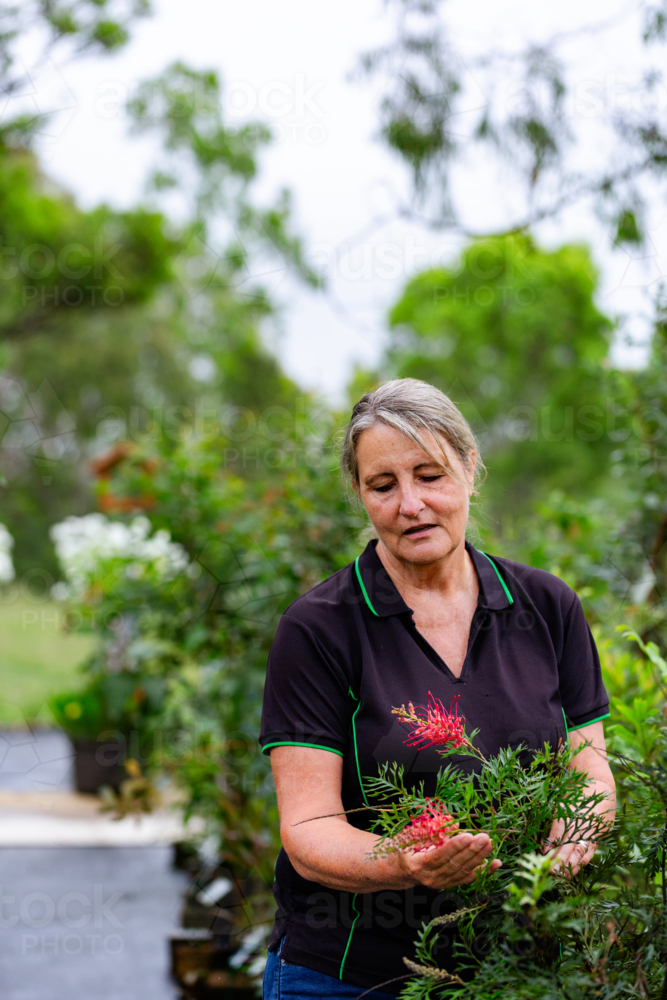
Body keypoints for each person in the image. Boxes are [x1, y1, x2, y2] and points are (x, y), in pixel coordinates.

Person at [260, 378, 616, 999]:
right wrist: (401, 862)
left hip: (518, 972)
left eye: (430, 475)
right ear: (360, 495)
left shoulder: (545, 607)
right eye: (383, 485)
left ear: (470, 468)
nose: (410, 504)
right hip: (351, 977)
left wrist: (575, 836)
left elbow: (590, 769)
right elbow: (309, 829)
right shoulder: (320, 628)